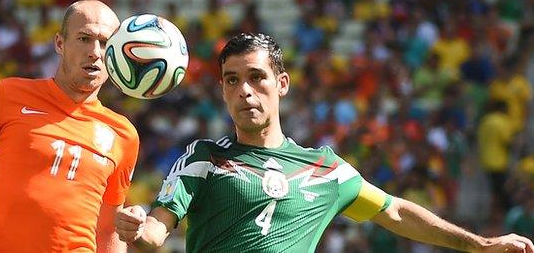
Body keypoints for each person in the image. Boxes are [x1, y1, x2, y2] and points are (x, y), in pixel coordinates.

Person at [115, 33, 534, 252]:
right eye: (231, 80)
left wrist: (478, 245)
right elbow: (155, 232)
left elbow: (396, 212)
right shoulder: (204, 158)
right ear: (223, 92)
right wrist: (138, 225)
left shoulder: (324, 169)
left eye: (256, 77)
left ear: (282, 84)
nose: (245, 90)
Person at [0, 0, 139, 252]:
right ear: (59, 44)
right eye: (84, 38)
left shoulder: (123, 134)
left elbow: (108, 230)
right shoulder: (3, 95)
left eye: (106, 43)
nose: (95, 52)